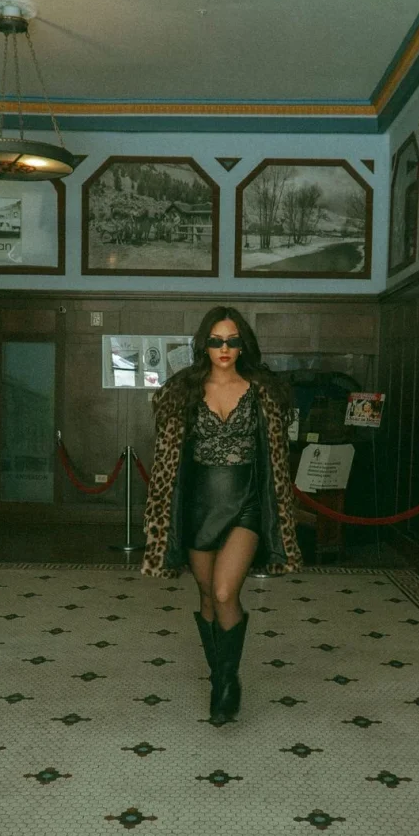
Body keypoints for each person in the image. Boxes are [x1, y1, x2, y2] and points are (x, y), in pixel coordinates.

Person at [141, 306, 302, 723]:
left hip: (246, 504)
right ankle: (220, 673)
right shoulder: (184, 391)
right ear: (204, 345)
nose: (224, 348)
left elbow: (276, 460)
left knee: (227, 592)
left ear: (243, 343)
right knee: (208, 595)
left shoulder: (264, 391)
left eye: (232, 340)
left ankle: (227, 685)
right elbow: (169, 460)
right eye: (216, 340)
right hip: (198, 508)